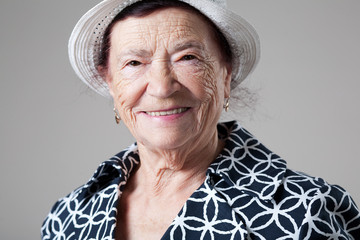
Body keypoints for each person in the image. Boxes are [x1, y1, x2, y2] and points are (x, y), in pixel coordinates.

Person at [41, 0, 360, 239]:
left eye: (187, 58)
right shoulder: (69, 216)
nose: (162, 87)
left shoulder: (301, 212)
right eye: (135, 62)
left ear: (225, 75)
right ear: (110, 83)